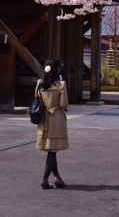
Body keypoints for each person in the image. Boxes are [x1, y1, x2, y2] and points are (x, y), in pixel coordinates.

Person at [35, 59, 69, 190]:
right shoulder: (61, 85)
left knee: (51, 150)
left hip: (44, 120)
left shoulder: (40, 83)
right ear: (56, 70)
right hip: (56, 120)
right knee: (52, 152)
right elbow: (63, 104)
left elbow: (37, 100)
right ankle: (44, 180)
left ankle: (58, 179)